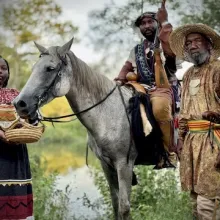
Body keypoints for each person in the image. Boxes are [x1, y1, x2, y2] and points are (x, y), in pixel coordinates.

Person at [114, 1, 179, 167]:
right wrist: (119, 80)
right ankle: (125, 153)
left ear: (157, 24)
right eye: (143, 24)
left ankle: (167, 153)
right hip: (140, 88)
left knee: (159, 107)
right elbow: (126, 67)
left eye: (151, 21)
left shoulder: (167, 42)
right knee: (121, 104)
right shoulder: (136, 49)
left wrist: (164, 22)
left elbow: (171, 55)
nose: (146, 26)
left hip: (164, 88)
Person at [169, 23, 220, 219]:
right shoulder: (188, 74)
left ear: (208, 44)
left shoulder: (217, 69)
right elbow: (185, 111)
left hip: (213, 141)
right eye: (188, 43)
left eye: (197, 41)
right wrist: (181, 139)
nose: (191, 46)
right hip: (191, 142)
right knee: (194, 199)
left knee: (208, 201)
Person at [0, 56, 34, 219]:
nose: (0, 72)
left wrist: (28, 120)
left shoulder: (16, 95)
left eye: (3, 68)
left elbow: (32, 117)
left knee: (15, 207)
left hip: (15, 156)